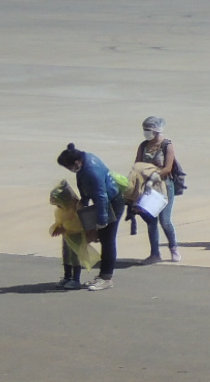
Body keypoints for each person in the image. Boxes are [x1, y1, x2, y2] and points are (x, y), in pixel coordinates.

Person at [56, 143, 122, 286]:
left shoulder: (92, 169)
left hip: (112, 202)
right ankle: (102, 276)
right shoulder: (84, 161)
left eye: (69, 167)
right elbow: (84, 186)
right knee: (101, 237)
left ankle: (106, 278)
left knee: (107, 239)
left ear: (76, 162)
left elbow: (101, 196)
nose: (69, 170)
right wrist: (83, 204)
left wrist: (102, 220)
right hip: (101, 202)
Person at [133, 116, 182, 262]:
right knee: (151, 221)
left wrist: (155, 176)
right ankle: (155, 254)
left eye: (148, 130)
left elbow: (168, 167)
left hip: (165, 186)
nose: (146, 133)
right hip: (148, 188)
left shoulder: (166, 145)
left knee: (165, 220)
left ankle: (173, 248)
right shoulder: (143, 146)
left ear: (156, 130)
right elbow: (137, 164)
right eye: (144, 130)